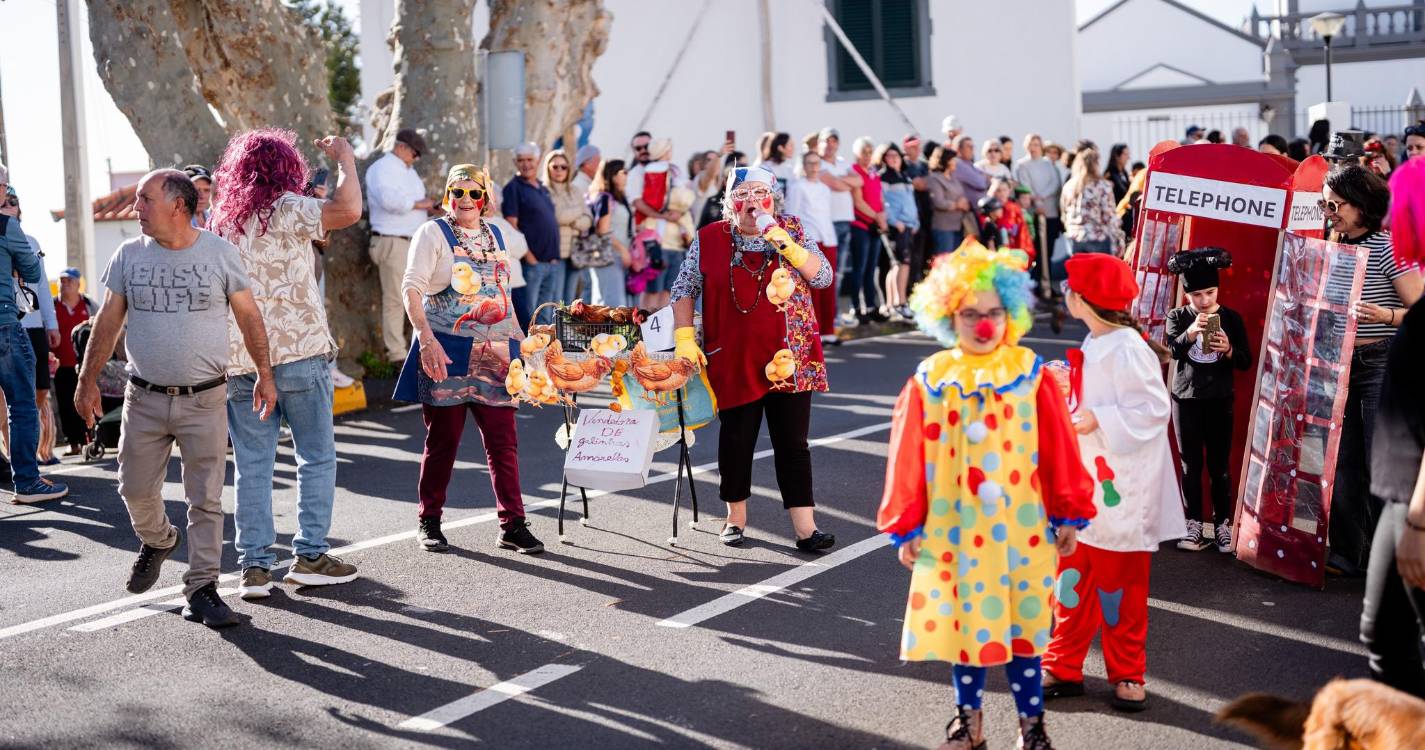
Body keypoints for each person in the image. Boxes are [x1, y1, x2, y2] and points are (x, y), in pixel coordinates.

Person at [879, 242, 1095, 750]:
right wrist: (907, 523)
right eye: (970, 314)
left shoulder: (1030, 374)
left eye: (994, 313)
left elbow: (1060, 449)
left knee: (1024, 630)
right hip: (955, 531)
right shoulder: (931, 378)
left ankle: (1032, 725)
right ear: (949, 316)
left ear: (1010, 314)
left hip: (1022, 529)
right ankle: (968, 721)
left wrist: (1067, 512)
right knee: (966, 630)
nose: (984, 324)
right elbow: (907, 454)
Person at [75, 168, 276, 628]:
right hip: (142, 397)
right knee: (134, 488)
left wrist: (265, 375)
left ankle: (202, 588)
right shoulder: (128, 255)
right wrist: (85, 382)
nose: (136, 208)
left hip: (205, 398)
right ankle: (160, 539)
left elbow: (249, 318)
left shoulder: (220, 254)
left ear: (178, 207)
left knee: (204, 498)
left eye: (145, 200)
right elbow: (107, 323)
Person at [209, 129, 364, 600]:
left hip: (241, 361)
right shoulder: (289, 207)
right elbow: (350, 210)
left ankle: (254, 567)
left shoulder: (221, 220)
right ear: (287, 167)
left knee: (253, 465)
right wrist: (345, 161)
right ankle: (310, 555)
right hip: (299, 354)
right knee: (314, 457)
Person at [1043, 253, 1183, 713]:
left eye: (1069, 287)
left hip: (1121, 494)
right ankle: (1064, 663)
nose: (1065, 292)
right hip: (1089, 487)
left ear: (1082, 299)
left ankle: (1127, 671)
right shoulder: (1102, 340)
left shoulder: (1126, 347)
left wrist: (1095, 417)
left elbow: (1152, 410)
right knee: (1071, 580)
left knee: (1120, 587)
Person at [670, 166, 836, 552]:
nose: (750, 202)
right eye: (740, 195)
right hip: (734, 355)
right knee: (736, 440)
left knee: (793, 443)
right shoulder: (710, 237)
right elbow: (683, 289)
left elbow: (823, 277)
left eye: (758, 193)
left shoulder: (791, 228)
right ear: (728, 203)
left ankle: (806, 529)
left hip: (790, 356)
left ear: (773, 200)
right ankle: (735, 519)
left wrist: (787, 245)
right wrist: (682, 338)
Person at [396, 164, 543, 555]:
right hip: (447, 350)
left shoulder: (496, 234)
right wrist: (425, 340)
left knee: (504, 442)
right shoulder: (432, 233)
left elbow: (503, 295)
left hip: (497, 352)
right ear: (446, 196)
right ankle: (429, 521)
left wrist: (524, 347)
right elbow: (411, 288)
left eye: (473, 193)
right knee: (443, 440)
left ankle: (512, 524)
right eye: (456, 192)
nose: (465, 200)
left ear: (485, 198)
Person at [1323, 165, 1424, 576]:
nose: (1328, 212)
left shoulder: (1388, 247)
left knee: (1380, 461)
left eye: (1335, 204)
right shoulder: (1335, 243)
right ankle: (1348, 554)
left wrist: (1383, 315)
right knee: (1343, 462)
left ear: (1362, 205)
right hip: (1341, 361)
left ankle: (1393, 557)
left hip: (1380, 360)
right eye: (1324, 204)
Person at [1360, 156, 1425, 698]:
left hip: (1414, 500)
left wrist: (1419, 523)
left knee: (1389, 640)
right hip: (1402, 495)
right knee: (1386, 639)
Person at [1164, 248, 1251, 551]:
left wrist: (1227, 349)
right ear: (1186, 294)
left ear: (1218, 290)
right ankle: (1193, 525)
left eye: (1210, 292)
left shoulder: (1230, 318)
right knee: (1190, 464)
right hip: (1185, 398)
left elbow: (1245, 361)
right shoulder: (1177, 316)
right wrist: (1190, 333)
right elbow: (1171, 350)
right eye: (1197, 294)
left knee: (1219, 465)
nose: (1204, 300)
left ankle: (1223, 524)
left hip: (1220, 398)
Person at [0, 173, 63, 502]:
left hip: (19, 324)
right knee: (22, 404)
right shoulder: (8, 228)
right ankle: (26, 480)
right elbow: (33, 273)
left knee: (27, 399)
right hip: (6, 324)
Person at [366, 128, 434, 362]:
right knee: (396, 299)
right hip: (393, 240)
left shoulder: (409, 171)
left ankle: (417, 348)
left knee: (420, 297)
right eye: (415, 153)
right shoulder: (382, 168)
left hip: (412, 241)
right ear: (402, 147)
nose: (417, 158)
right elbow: (389, 201)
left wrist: (429, 207)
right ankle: (397, 355)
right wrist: (421, 204)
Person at [503, 142, 562, 325]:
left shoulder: (542, 188)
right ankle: (529, 353)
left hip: (550, 262)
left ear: (537, 161)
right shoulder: (513, 188)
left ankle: (545, 354)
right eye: (521, 160)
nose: (526, 164)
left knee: (546, 317)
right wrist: (530, 258)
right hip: (532, 265)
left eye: (530, 160)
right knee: (529, 317)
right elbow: (511, 225)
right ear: (515, 162)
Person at [786, 149, 837, 343]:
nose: (815, 167)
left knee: (829, 283)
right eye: (810, 163)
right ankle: (812, 330)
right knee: (812, 287)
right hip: (809, 241)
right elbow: (793, 215)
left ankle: (829, 330)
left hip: (828, 238)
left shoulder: (824, 188)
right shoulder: (797, 187)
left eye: (817, 163)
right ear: (804, 166)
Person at [628, 138, 683, 309]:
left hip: (673, 242)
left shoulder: (673, 171)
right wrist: (664, 216)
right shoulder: (638, 173)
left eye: (646, 146)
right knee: (652, 291)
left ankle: (660, 332)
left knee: (668, 291)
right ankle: (644, 331)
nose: (644, 150)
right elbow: (638, 202)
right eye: (639, 147)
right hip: (653, 240)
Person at [818, 128, 861, 316]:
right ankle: (830, 315)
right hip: (828, 223)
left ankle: (835, 315)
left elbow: (859, 181)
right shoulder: (817, 164)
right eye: (826, 141)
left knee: (840, 272)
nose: (830, 144)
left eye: (833, 141)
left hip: (845, 220)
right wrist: (844, 183)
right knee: (829, 272)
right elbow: (834, 184)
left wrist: (842, 181)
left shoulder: (842, 163)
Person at [544, 148, 594, 306]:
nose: (559, 170)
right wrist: (577, 213)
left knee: (571, 299)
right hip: (556, 253)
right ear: (548, 168)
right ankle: (554, 330)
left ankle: (567, 330)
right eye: (555, 167)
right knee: (555, 298)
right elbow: (558, 216)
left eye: (563, 167)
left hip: (575, 253)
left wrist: (574, 221)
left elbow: (588, 219)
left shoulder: (576, 190)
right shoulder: (544, 190)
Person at [53, 268, 95, 456]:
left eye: (69, 280)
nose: (65, 283)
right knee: (65, 405)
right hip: (60, 366)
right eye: (62, 280)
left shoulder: (88, 305)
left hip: (86, 365)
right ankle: (73, 443)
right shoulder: (52, 306)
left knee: (87, 402)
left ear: (78, 284)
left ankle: (91, 439)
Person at [848, 137, 887, 324]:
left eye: (870, 152)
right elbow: (858, 201)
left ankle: (872, 306)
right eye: (864, 152)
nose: (867, 156)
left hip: (875, 225)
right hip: (861, 224)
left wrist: (882, 216)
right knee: (860, 268)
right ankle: (857, 307)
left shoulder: (873, 172)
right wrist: (875, 216)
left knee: (872, 269)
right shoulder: (854, 172)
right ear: (857, 153)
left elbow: (879, 197)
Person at [1016, 134, 1064, 284]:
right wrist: (1036, 203)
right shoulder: (1022, 165)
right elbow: (1025, 186)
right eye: (1031, 144)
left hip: (1049, 211)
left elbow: (1055, 183)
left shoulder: (1048, 164)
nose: (1034, 147)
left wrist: (1042, 197)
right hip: (1033, 212)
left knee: (1048, 249)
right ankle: (1036, 283)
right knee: (1036, 250)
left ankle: (1047, 282)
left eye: (1037, 144)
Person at [482, 182, 530, 330]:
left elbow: (522, 247)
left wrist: (505, 247)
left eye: (493, 200)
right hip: (498, 286)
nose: (491, 205)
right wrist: (507, 247)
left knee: (524, 323)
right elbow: (496, 248)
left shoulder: (500, 222)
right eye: (488, 200)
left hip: (516, 283)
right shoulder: (479, 224)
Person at [1060, 148, 1124, 256]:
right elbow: (1109, 216)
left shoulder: (1069, 186)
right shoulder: (1102, 186)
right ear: (1097, 164)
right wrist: (1119, 238)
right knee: (1099, 272)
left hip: (1074, 238)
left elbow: (1064, 212)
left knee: (1080, 272)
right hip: (1097, 237)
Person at [878, 143, 917, 321]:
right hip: (897, 227)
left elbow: (911, 201)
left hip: (909, 225)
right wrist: (894, 221)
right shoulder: (884, 177)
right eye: (890, 156)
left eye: (896, 156)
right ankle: (898, 302)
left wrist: (915, 222)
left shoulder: (905, 177)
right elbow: (883, 202)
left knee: (902, 264)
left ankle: (896, 302)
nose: (894, 159)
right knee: (900, 263)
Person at [585, 159, 631, 308]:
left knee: (613, 302)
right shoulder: (604, 197)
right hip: (608, 256)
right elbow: (603, 230)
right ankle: (607, 332)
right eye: (624, 172)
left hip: (616, 256)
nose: (627, 175)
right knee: (610, 304)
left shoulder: (620, 197)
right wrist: (623, 250)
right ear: (613, 175)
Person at [927, 146, 969, 254]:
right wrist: (957, 205)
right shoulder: (935, 178)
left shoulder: (953, 178)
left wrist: (964, 203)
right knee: (945, 260)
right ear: (945, 160)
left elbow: (961, 194)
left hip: (958, 226)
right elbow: (938, 202)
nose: (956, 162)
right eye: (953, 160)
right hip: (943, 228)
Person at [1104, 144, 1133, 239]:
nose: (1128, 158)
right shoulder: (1109, 175)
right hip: (1116, 218)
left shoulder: (1124, 174)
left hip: (1126, 217)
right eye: (1125, 154)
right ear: (1117, 156)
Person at [952, 136, 989, 207]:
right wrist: (984, 177)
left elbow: (987, 180)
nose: (972, 149)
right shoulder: (958, 163)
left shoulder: (968, 163)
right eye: (968, 146)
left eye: (973, 146)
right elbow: (980, 183)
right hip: (971, 210)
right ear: (958, 149)